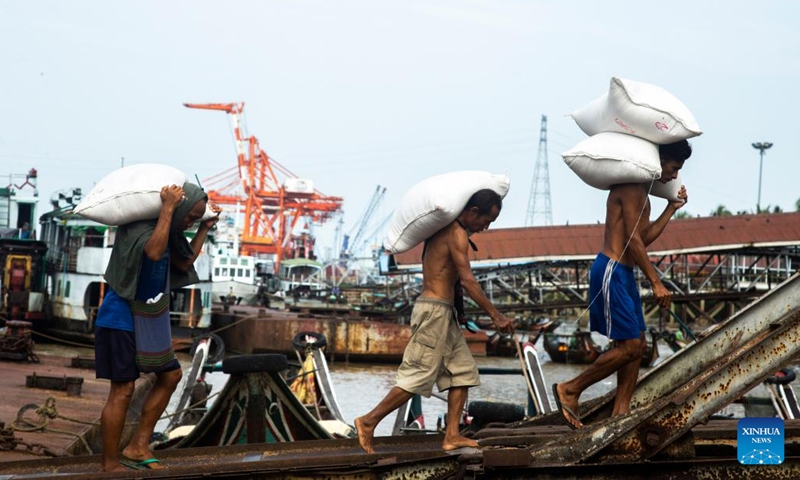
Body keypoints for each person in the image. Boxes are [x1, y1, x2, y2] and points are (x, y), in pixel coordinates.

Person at [355, 189, 515, 454]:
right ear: (473, 212)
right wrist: (495, 316)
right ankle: (368, 421)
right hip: (433, 313)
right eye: (486, 221)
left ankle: (451, 435)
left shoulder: (449, 231)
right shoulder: (456, 233)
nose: (485, 227)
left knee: (462, 373)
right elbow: (467, 280)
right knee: (417, 376)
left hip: (445, 313)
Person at [553, 140, 692, 429]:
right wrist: (656, 281)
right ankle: (570, 389)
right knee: (629, 346)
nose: (674, 175)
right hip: (611, 270)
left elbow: (644, 237)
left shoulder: (644, 194)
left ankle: (620, 414)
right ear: (660, 159)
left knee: (637, 346)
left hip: (625, 274)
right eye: (673, 168)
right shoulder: (630, 189)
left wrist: (672, 207)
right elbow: (634, 239)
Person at [94, 183, 220, 472]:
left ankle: (138, 446)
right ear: (177, 209)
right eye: (190, 217)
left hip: (148, 318)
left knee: (171, 374)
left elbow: (185, 260)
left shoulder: (170, 232)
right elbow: (152, 251)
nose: (190, 222)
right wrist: (167, 209)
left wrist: (204, 228)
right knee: (123, 389)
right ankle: (110, 466)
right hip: (119, 319)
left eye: (194, 219)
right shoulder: (137, 228)